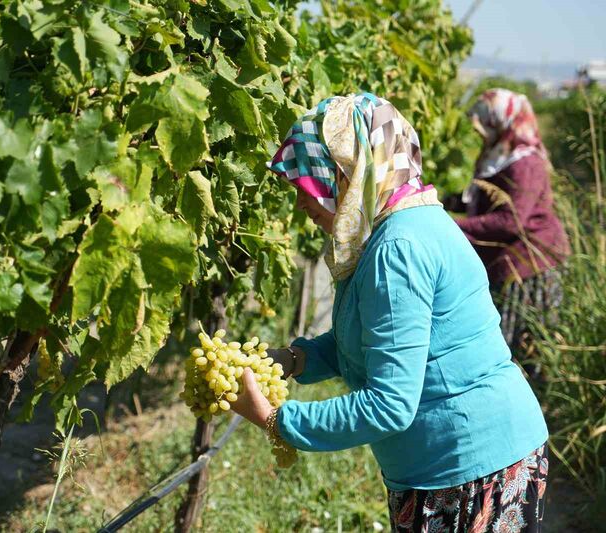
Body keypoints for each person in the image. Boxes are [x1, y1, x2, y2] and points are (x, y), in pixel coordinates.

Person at [232, 93, 549, 533]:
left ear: (348, 172)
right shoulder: (399, 227)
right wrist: (293, 360)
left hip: (469, 468)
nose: (301, 204)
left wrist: (274, 420)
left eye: (308, 185)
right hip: (448, 466)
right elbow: (374, 339)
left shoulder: (397, 248)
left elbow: (389, 405)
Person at [454, 89, 570, 376]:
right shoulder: (500, 155)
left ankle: (528, 405)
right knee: (503, 343)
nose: (479, 129)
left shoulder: (525, 163)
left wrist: (452, 226)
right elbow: (485, 198)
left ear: (503, 120)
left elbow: (509, 221)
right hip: (507, 265)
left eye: (485, 120)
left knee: (519, 346)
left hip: (528, 267)